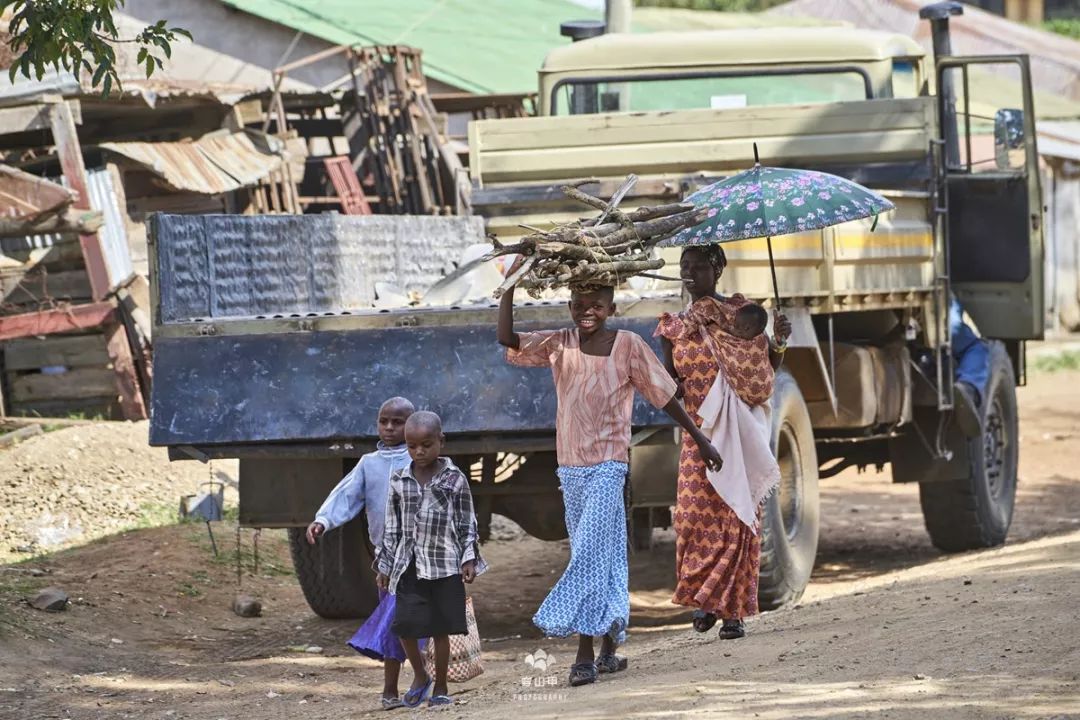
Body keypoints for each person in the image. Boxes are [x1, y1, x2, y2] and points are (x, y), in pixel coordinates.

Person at [498, 275, 724, 688]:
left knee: (588, 552)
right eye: (580, 304)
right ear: (569, 307)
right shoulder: (559, 343)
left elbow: (666, 397)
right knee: (607, 556)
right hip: (570, 468)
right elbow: (507, 339)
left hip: (608, 466)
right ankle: (610, 646)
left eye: (597, 305)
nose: (588, 311)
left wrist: (701, 439)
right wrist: (510, 285)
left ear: (611, 310)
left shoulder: (629, 347)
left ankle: (582, 651)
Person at [656, 245, 791, 640]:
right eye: (684, 266)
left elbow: (762, 373)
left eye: (699, 267)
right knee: (693, 517)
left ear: (718, 270)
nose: (690, 273)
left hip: (742, 430)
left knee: (739, 515)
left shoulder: (742, 317)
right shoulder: (673, 327)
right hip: (699, 431)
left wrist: (778, 342)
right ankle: (705, 598)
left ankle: (733, 612)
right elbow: (669, 383)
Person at [305, 396, 414, 710]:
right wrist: (323, 520)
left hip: (422, 558)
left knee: (419, 622)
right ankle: (391, 691)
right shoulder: (369, 464)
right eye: (384, 421)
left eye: (398, 422)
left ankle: (430, 682)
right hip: (387, 561)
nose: (390, 428)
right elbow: (346, 494)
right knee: (398, 624)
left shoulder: (420, 460)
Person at [376, 411, 486, 708]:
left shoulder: (455, 479)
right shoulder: (399, 480)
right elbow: (392, 528)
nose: (419, 452)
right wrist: (385, 565)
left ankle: (440, 685)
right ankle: (421, 675)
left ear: (442, 442)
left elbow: (467, 522)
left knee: (440, 628)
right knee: (405, 626)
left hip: (445, 565)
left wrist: (469, 559)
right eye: (412, 446)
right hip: (408, 564)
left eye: (426, 444)